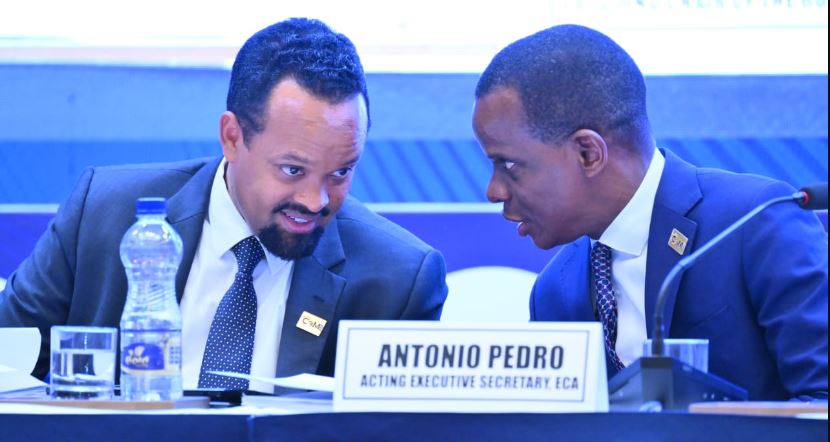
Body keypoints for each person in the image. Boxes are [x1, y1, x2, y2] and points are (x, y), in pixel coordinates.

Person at [0, 18, 448, 393]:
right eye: (293, 169)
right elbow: (8, 366)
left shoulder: (397, 280)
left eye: (341, 172)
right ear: (232, 137)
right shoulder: (103, 214)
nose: (316, 200)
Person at [472, 24, 827, 400]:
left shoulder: (754, 223)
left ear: (588, 154)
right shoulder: (554, 292)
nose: (493, 191)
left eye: (508, 164)